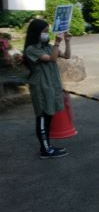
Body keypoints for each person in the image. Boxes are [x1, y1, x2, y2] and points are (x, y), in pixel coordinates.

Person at [23, 19, 71, 159]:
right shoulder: (31, 49)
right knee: (43, 117)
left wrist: (67, 41)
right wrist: (57, 43)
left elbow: (66, 56)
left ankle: (48, 146)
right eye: (44, 31)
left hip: (51, 86)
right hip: (41, 87)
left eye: (47, 31)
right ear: (36, 32)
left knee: (49, 116)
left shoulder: (48, 46)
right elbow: (52, 59)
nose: (46, 34)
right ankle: (45, 150)